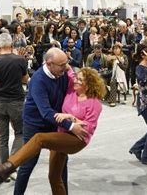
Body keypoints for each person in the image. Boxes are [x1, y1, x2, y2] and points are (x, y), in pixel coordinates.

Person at [0, 67, 105, 194]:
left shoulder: (94, 103)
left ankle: (7, 168)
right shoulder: (72, 90)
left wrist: (71, 118)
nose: (75, 80)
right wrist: (62, 63)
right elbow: (67, 68)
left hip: (77, 139)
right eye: (76, 78)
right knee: (54, 177)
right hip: (61, 134)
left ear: (88, 84)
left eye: (80, 80)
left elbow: (89, 128)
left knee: (39, 138)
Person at [13, 48, 88, 195]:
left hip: (56, 124)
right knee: (28, 164)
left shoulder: (62, 73)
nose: (66, 67)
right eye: (62, 64)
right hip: (35, 125)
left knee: (61, 163)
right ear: (49, 64)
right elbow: (46, 112)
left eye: (67, 63)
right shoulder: (38, 80)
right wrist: (71, 126)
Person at [0, 33, 28, 167]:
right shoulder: (20, 60)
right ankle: (11, 163)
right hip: (16, 101)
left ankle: (4, 166)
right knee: (20, 133)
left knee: (2, 137)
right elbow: (25, 79)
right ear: (11, 45)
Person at [106, 42, 129, 107]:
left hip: (121, 75)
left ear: (120, 49)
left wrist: (118, 61)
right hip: (112, 74)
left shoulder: (124, 56)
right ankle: (108, 96)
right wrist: (108, 60)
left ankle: (113, 100)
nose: (115, 50)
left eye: (117, 48)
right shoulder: (111, 56)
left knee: (113, 82)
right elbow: (109, 67)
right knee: (103, 80)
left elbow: (125, 67)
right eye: (114, 49)